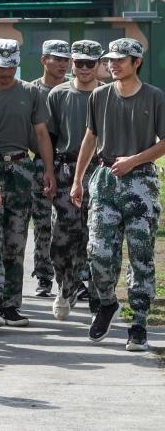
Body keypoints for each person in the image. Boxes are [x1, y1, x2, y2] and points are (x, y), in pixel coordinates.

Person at [72, 38, 165, 351]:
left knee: (141, 256)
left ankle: (138, 323)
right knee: (98, 251)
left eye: (120, 60)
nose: (112, 64)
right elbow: (90, 137)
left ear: (136, 62)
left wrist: (134, 161)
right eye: (109, 60)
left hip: (141, 182)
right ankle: (108, 302)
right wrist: (78, 180)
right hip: (106, 179)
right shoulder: (99, 95)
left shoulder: (154, 97)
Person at [0, 38, 55, 328]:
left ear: (18, 64)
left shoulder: (30, 93)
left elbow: (41, 134)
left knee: (16, 241)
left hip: (20, 169)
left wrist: (49, 170)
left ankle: (10, 304)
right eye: (1, 66)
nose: (6, 73)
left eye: (12, 67)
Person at [46, 40, 103, 320]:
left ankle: (96, 295)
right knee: (61, 239)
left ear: (99, 64)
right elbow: (51, 137)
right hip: (66, 169)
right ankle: (65, 287)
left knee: (96, 237)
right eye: (78, 62)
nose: (83, 68)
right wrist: (50, 172)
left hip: (99, 171)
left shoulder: (108, 95)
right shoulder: (58, 94)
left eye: (89, 63)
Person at [29, 39, 71, 297]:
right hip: (38, 162)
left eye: (66, 59)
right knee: (42, 222)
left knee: (69, 224)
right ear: (44, 59)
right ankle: (43, 277)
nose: (62, 64)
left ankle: (70, 277)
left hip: (68, 162)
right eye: (57, 58)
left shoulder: (73, 90)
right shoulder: (32, 90)